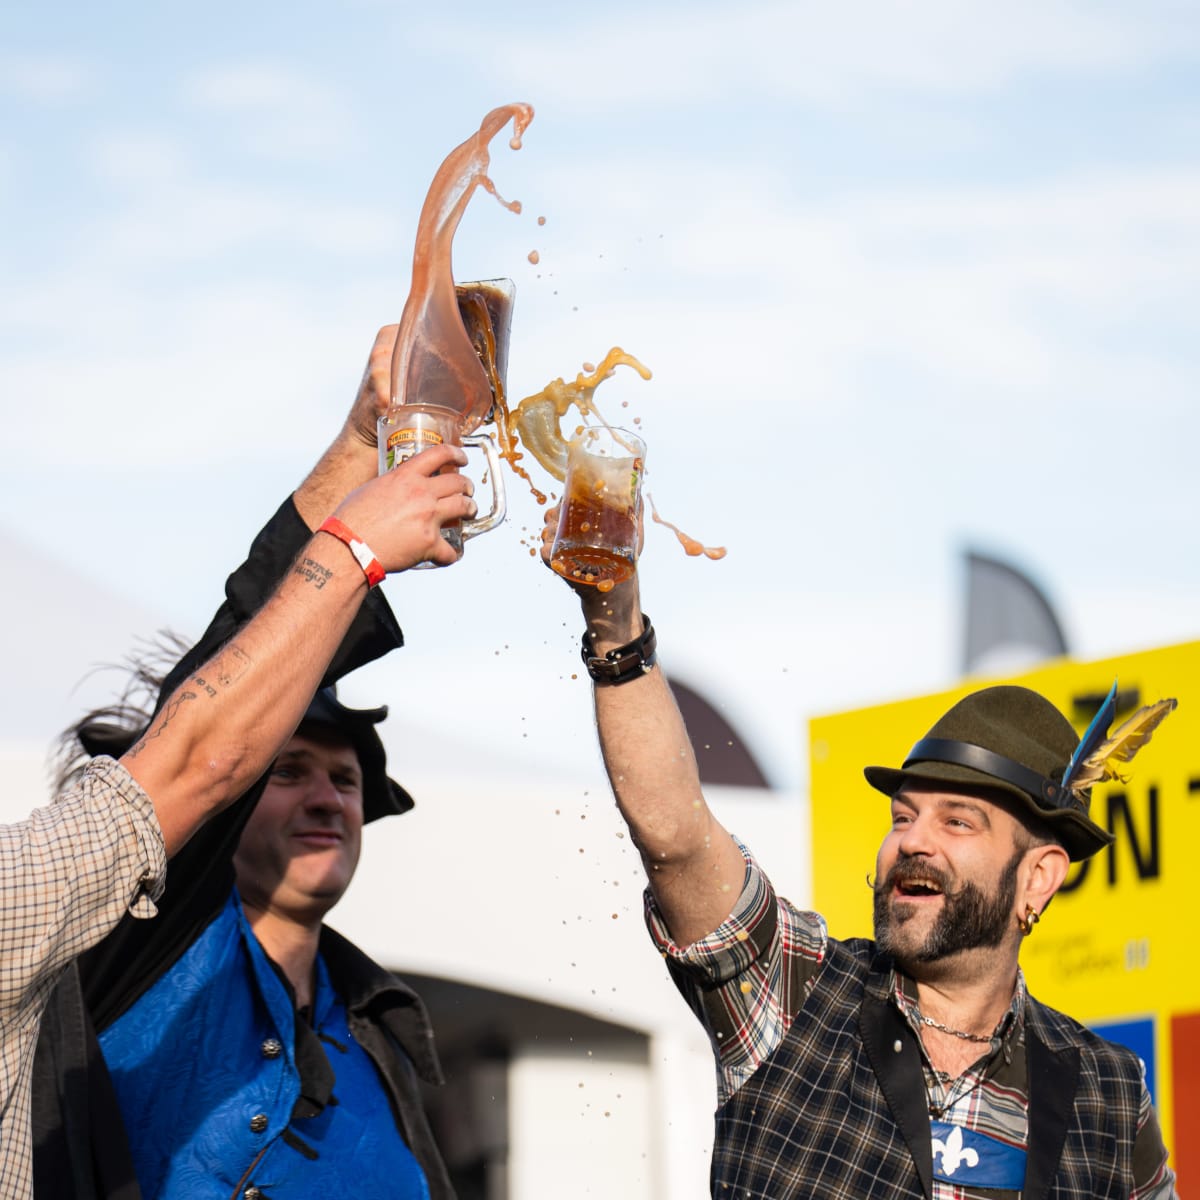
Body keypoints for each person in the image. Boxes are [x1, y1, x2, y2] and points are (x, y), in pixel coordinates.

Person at [541, 514, 1178, 1198]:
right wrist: (616, 627)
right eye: (902, 816)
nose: (913, 840)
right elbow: (677, 838)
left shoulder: (1108, 1092)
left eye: (957, 821)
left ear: (1038, 877)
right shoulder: (799, 989)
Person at [30, 326, 466, 1200]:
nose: (326, 798)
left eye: (344, 780)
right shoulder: (148, 940)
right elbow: (209, 724)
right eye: (290, 770)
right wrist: (355, 461)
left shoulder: (379, 1034)